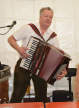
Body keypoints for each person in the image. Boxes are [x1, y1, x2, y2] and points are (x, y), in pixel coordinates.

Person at [8, 7, 67, 103]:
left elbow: (59, 57)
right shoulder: (29, 28)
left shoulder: (53, 36)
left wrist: (62, 70)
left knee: (42, 97)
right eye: (46, 16)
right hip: (24, 63)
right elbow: (10, 39)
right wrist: (19, 49)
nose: (48, 19)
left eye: (51, 17)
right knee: (17, 94)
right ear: (40, 17)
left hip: (41, 68)